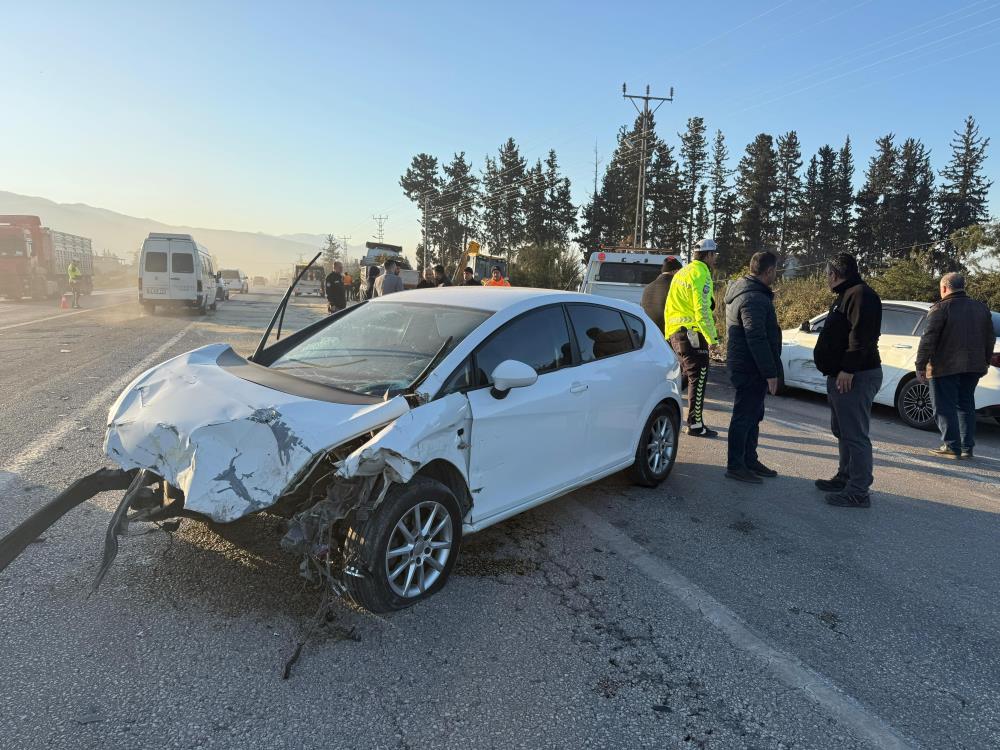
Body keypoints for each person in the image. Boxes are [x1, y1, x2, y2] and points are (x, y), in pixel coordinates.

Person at [813, 252, 883, 508]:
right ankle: (845, 476)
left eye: (828, 274)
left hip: (856, 376)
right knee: (843, 431)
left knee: (855, 434)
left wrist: (848, 369)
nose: (827, 279)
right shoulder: (847, 294)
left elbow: (862, 336)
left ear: (834, 274)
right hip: (843, 375)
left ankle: (858, 490)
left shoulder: (861, 295)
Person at [915, 272, 996, 459]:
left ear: (944, 288)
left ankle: (951, 446)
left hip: (945, 366)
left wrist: (920, 365)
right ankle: (967, 448)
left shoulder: (941, 308)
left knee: (943, 407)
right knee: (966, 405)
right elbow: (989, 338)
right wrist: (984, 361)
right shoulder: (981, 308)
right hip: (974, 366)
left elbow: (929, 339)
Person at [723, 251, 782, 483]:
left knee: (754, 415)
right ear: (768, 271)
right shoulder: (753, 298)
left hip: (749, 365)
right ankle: (736, 465)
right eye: (775, 270)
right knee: (744, 416)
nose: (776, 274)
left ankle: (749, 459)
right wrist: (770, 373)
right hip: (749, 367)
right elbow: (755, 337)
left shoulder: (749, 292)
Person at [663, 238, 719, 437]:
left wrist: (669, 333)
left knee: (685, 376)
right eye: (715, 255)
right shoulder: (701, 273)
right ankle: (695, 424)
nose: (715, 260)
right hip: (691, 332)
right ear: (709, 254)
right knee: (699, 375)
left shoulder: (682, 273)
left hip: (675, 332)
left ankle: (661, 408)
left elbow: (669, 306)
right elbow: (702, 309)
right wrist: (713, 339)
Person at [640, 255, 683, 335]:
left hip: (648, 332)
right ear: (675, 271)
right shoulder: (675, 287)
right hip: (668, 335)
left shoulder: (647, 288)